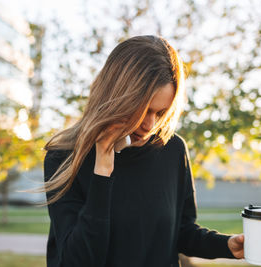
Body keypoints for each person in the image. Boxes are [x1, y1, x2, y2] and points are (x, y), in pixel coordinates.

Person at [41, 35, 244, 267]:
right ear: (116, 95)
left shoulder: (173, 149)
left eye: (160, 113)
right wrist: (102, 172)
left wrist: (226, 245)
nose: (150, 125)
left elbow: (181, 231)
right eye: (143, 109)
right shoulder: (64, 156)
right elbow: (76, 261)